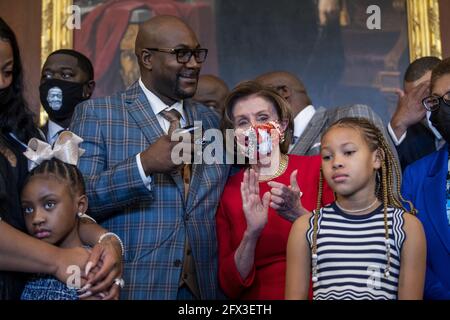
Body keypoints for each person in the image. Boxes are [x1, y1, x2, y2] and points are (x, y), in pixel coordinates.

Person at [70, 15, 230, 300]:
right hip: (137, 286)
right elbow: (80, 203)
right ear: (147, 58)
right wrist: (143, 165)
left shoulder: (210, 120)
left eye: (196, 53)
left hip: (204, 290)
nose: (193, 63)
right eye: (181, 54)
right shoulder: (97, 115)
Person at [0, 17, 121, 300]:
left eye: (7, 71)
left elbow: (59, 205)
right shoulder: (54, 260)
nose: (1, 83)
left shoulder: (20, 134)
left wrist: (106, 242)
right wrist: (57, 260)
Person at [216, 81, 334, 299]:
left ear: (282, 126)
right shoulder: (228, 192)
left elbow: (349, 248)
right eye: (243, 122)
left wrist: (299, 215)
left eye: (262, 118)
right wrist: (252, 233)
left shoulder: (319, 169)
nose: (254, 129)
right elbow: (230, 285)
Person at [286, 117, 426, 300]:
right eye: (327, 156)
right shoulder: (306, 227)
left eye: (349, 152)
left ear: (377, 158)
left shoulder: (406, 227)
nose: (336, 162)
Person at [20, 132, 119, 300]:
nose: (36, 218)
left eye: (49, 204)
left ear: (80, 205)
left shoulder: (91, 267)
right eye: (28, 209)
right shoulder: (29, 261)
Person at [254, 71, 395, 157]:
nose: (251, 109)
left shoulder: (350, 116)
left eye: (256, 99)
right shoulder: (268, 144)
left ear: (283, 92)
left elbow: (386, 185)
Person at [402, 57, 450, 299]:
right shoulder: (416, 176)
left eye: (449, 97)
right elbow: (409, 255)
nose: (444, 108)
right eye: (436, 101)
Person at [388, 56, 442, 170]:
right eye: (414, 98)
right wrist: (398, 124)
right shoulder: (407, 139)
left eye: (428, 94)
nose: (425, 105)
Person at [39, 49, 96, 145]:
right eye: (47, 75)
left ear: (88, 88)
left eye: (66, 75)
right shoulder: (26, 139)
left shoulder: (103, 140)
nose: (54, 80)